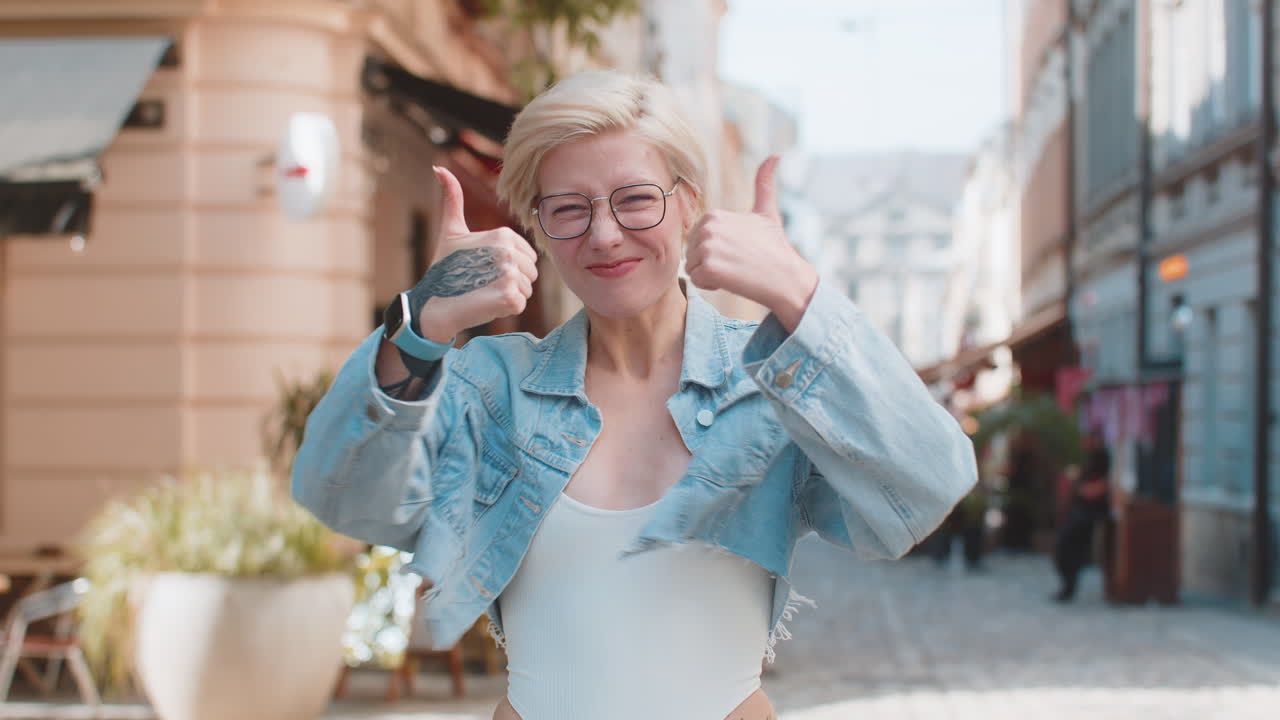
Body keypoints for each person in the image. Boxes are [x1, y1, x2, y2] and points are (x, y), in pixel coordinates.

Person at [292, 70, 978, 720]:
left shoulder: (765, 385)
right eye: (568, 209)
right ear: (538, 227)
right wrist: (421, 323)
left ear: (689, 204)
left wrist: (800, 295)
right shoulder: (493, 386)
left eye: (636, 198)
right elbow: (343, 495)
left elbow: (927, 488)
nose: (604, 234)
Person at [1051, 432, 1111, 602]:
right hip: (1080, 510)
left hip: (1088, 512)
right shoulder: (1090, 458)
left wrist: (1082, 490)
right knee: (1065, 546)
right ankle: (1067, 585)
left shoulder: (1102, 458)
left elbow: (1102, 485)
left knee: (1071, 546)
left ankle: (1069, 586)